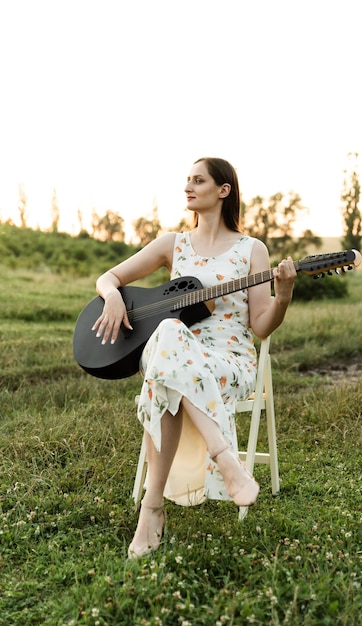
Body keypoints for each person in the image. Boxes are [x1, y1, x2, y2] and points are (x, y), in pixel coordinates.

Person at [92, 157, 297, 558]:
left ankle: (152, 510)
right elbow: (108, 277)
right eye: (187, 179)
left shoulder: (252, 250)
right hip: (172, 355)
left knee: (166, 372)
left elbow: (260, 327)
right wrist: (113, 296)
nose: (188, 186)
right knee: (171, 336)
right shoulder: (173, 244)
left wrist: (283, 296)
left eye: (198, 180)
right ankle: (226, 459)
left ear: (223, 191)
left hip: (229, 363)